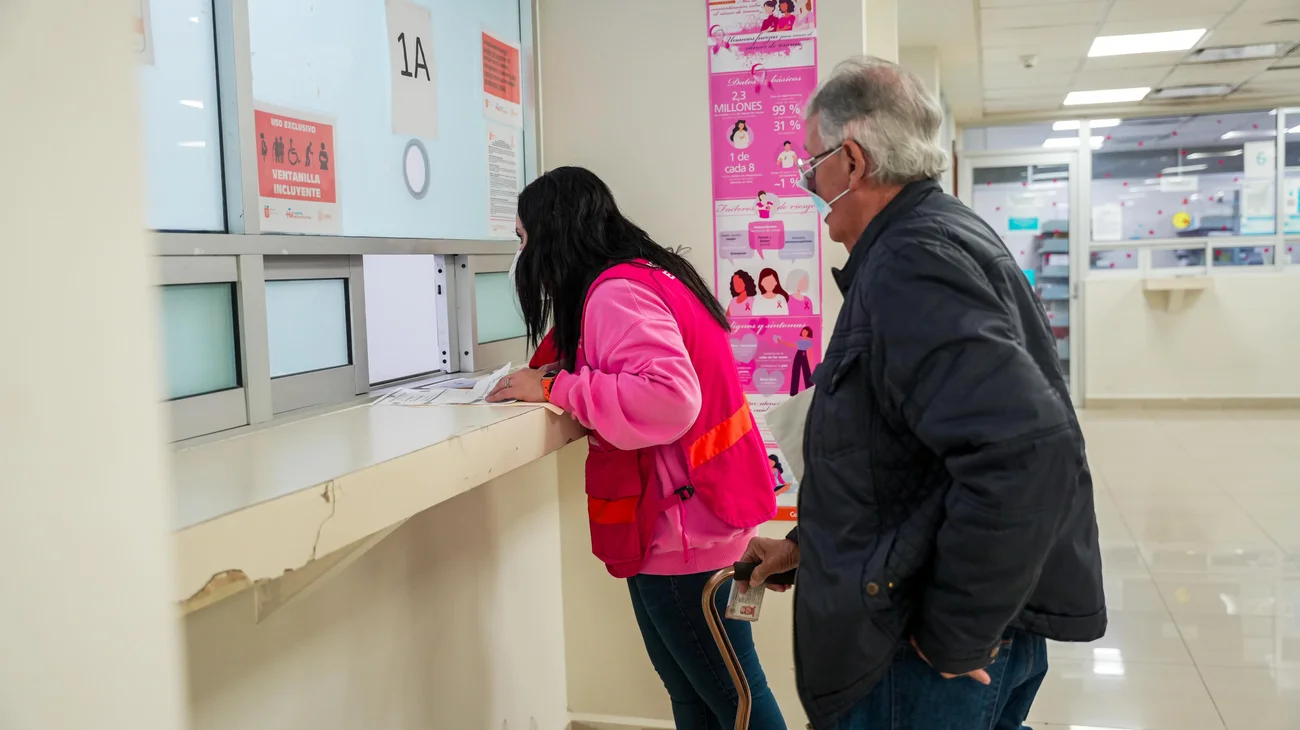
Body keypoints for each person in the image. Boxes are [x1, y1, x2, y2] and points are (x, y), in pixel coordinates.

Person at [738, 57, 1105, 730]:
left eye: (812, 164)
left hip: (919, 655)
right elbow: (903, 461)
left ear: (852, 161)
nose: (808, 183)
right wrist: (809, 545)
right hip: (943, 618)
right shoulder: (934, 237)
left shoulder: (913, 262)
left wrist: (955, 632)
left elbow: (1026, 452)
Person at [487, 166, 787, 730]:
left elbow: (670, 399)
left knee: (735, 701)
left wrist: (556, 387)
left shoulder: (616, 293)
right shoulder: (649, 273)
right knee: (695, 695)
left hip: (684, 530)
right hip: (696, 516)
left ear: (552, 235)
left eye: (524, 239)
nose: (522, 255)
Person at [775, 325, 814, 395]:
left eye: (805, 332)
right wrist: (781, 342)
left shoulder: (809, 342)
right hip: (798, 355)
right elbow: (791, 345)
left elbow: (810, 352)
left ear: (808, 333)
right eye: (803, 331)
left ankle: (810, 391)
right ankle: (793, 392)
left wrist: (810, 362)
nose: (803, 333)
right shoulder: (800, 341)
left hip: (804, 355)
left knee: (807, 372)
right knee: (795, 372)